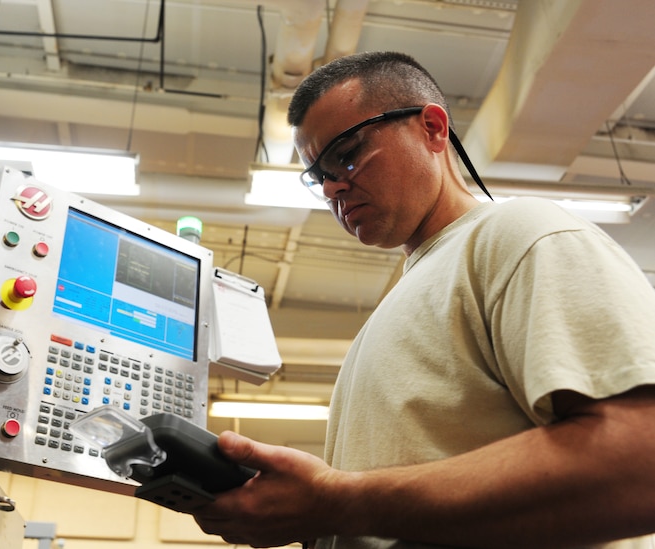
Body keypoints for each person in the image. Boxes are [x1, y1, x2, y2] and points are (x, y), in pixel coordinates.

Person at [191, 51, 655, 548]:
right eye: (317, 176)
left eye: (346, 153)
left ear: (433, 129)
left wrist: (340, 501)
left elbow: (640, 461)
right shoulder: (406, 297)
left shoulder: (522, 235)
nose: (332, 188)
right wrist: (310, 517)